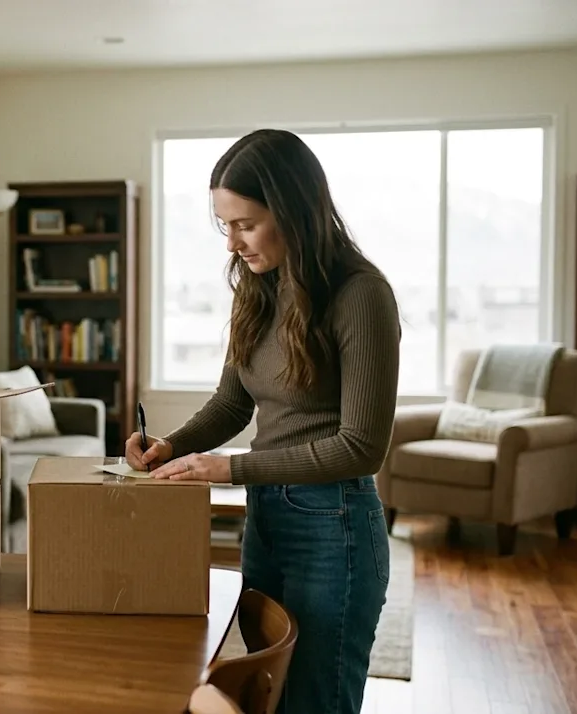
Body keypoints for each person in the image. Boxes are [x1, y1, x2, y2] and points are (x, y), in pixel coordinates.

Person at [126, 129, 400, 714]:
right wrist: (170, 445)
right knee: (266, 692)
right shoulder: (257, 287)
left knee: (315, 700)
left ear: (296, 212)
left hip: (337, 525)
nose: (232, 243)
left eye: (245, 223)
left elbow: (362, 447)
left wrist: (230, 467)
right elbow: (232, 403)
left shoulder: (361, 295)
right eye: (224, 225)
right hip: (269, 518)